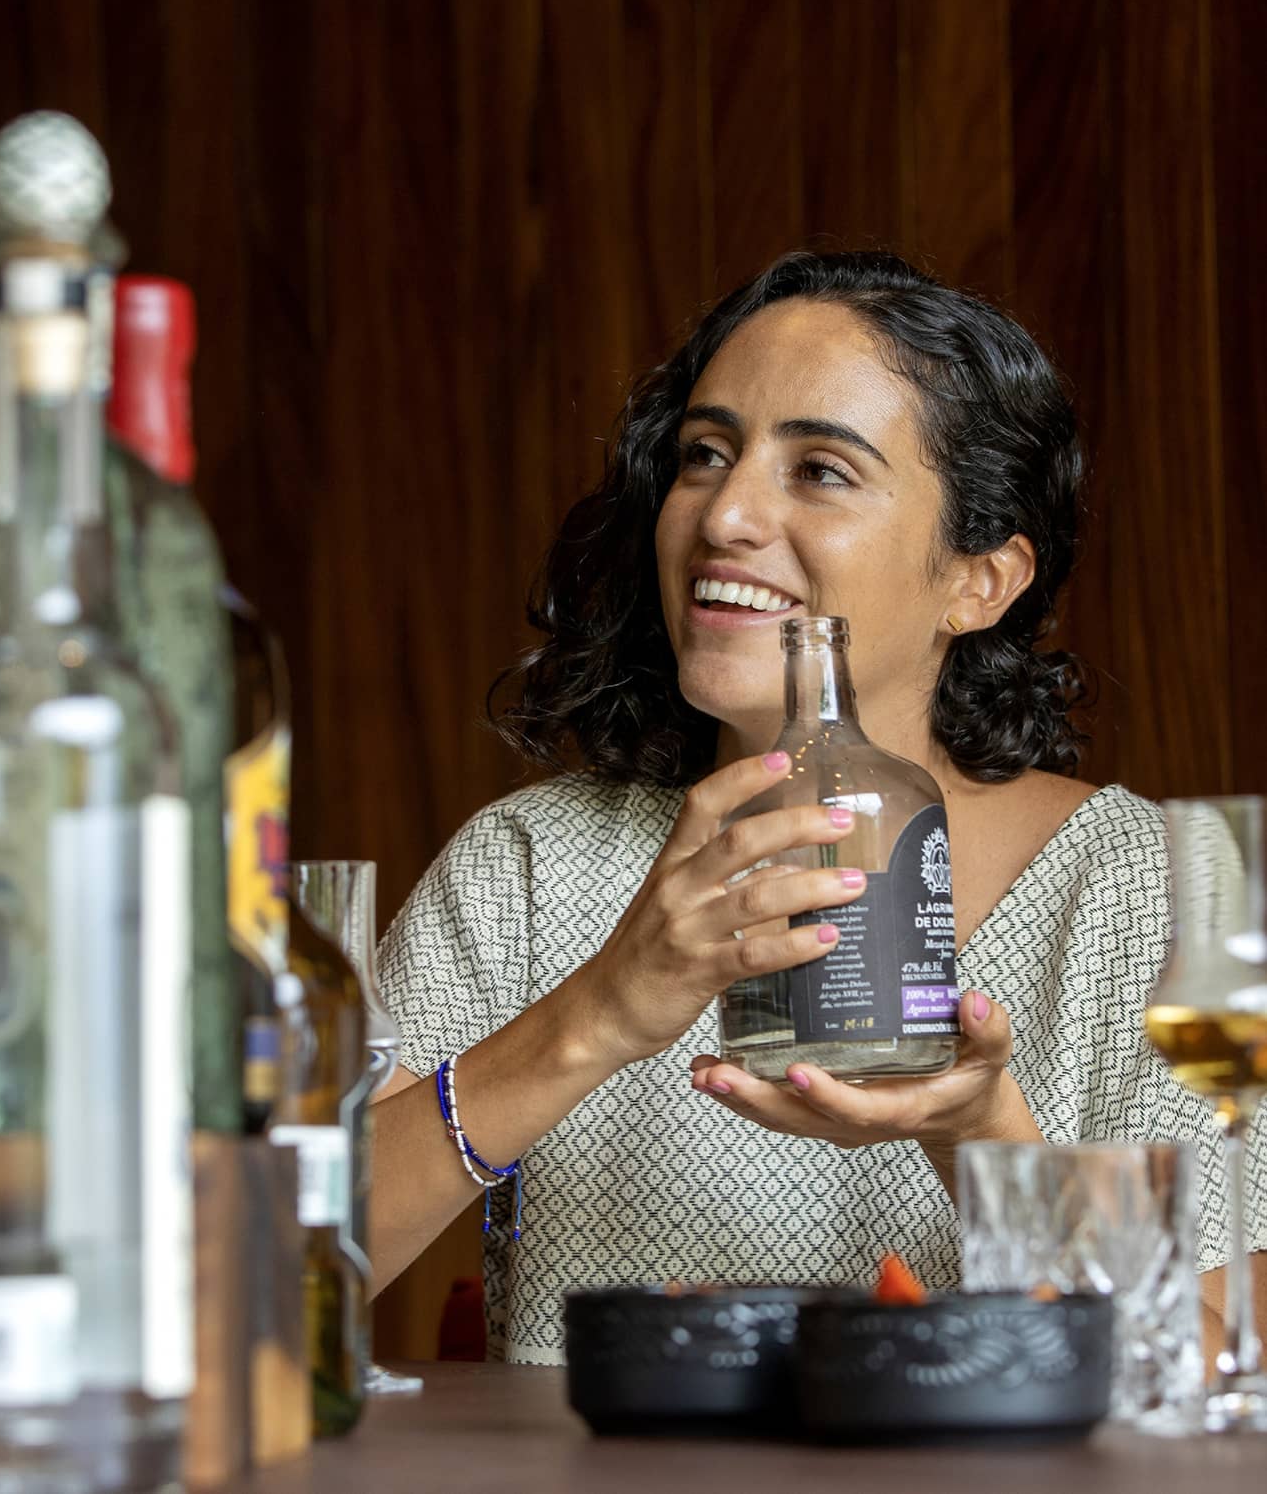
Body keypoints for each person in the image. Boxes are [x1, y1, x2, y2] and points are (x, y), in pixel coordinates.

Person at [368, 250, 1266, 1366]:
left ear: (978, 580)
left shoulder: (1147, 889)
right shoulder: (532, 865)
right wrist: (594, 1015)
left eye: (823, 471)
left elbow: (1211, 1368)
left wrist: (976, 1131)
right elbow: (252, 1279)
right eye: (704, 455)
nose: (726, 515)